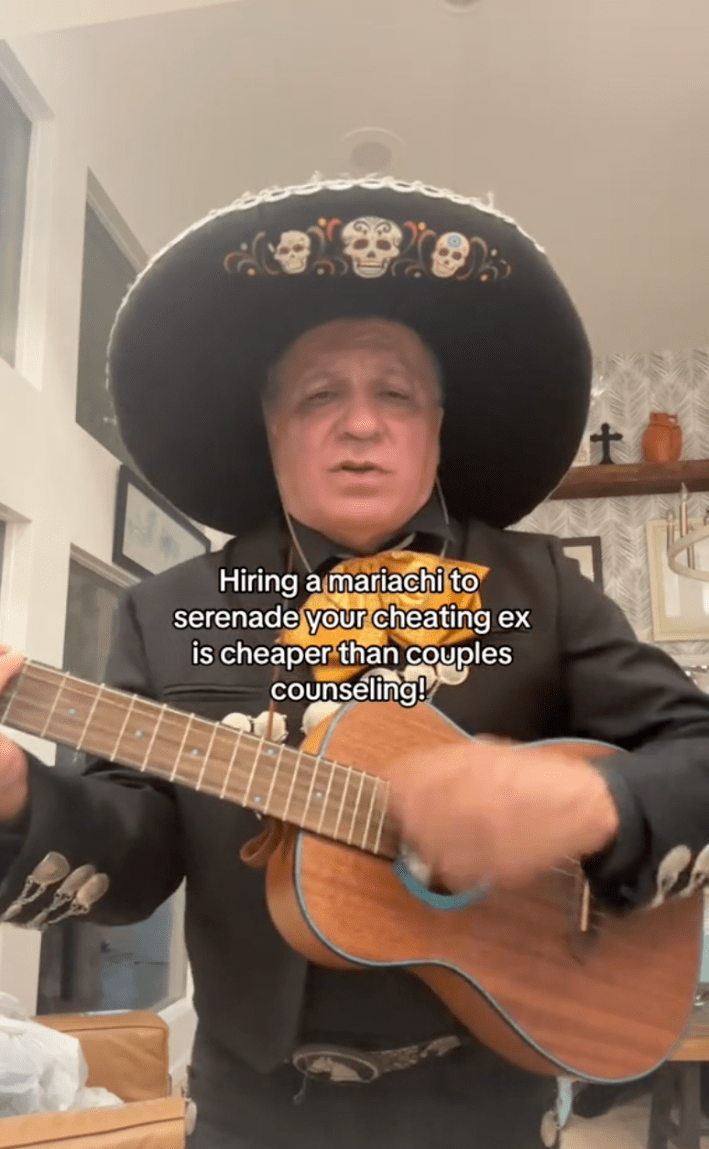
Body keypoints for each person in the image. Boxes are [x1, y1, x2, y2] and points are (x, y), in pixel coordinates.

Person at [1, 176, 709, 1149]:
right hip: (251, 1112)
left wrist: (593, 805)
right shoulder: (164, 613)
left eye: (395, 395)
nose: (361, 424)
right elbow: (131, 853)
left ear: (436, 429)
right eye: (320, 395)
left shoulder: (538, 585)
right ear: (272, 427)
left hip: (486, 1107)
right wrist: (17, 795)